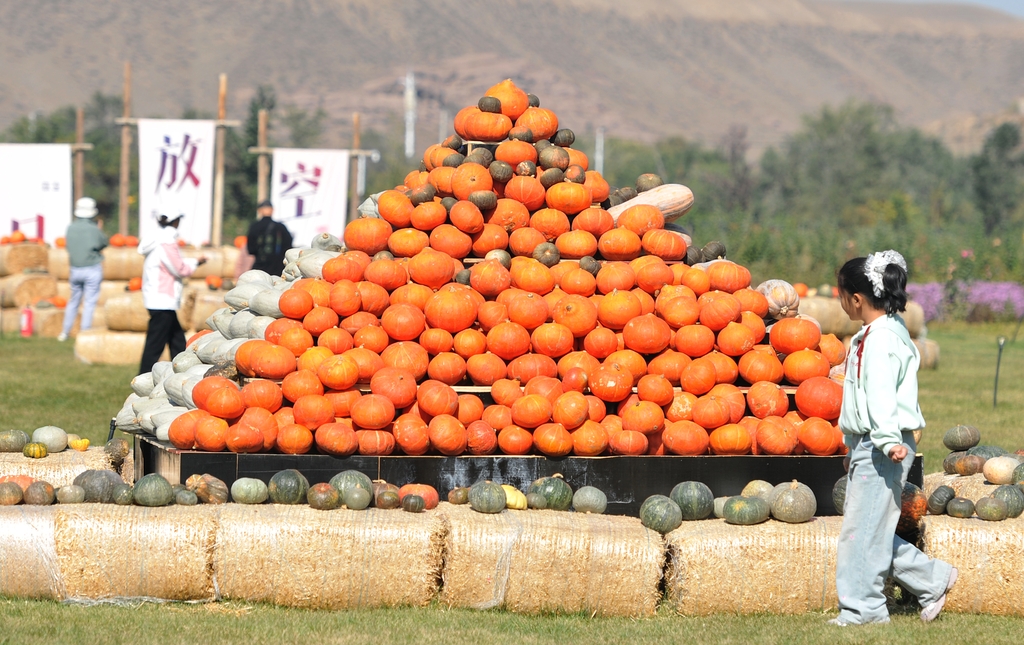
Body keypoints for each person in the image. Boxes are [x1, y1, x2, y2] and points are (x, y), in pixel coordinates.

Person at [830, 250, 957, 626]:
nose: (840, 301)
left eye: (841, 294)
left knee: (863, 531)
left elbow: (881, 394)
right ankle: (933, 579)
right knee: (871, 527)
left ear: (855, 298)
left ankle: (864, 610)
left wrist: (885, 441)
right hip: (874, 443)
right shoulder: (886, 329)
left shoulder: (880, 338)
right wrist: (855, 446)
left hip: (884, 444)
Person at [137, 214, 206, 375]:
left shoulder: (155, 238)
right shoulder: (167, 241)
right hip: (162, 299)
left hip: (155, 297)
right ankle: (143, 377)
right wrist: (196, 262)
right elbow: (179, 269)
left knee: (177, 340)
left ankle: (184, 371)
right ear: (176, 221)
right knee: (155, 345)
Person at [58, 197, 108, 342]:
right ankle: (84, 332)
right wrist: (99, 229)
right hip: (92, 268)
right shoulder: (94, 229)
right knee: (89, 302)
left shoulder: (70, 227)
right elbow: (103, 243)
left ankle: (64, 332)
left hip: (75, 269)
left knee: (73, 301)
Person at [246, 200, 292, 276]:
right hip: (277, 267)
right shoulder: (280, 227)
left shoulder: (254, 227)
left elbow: (251, 249)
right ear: (272, 210)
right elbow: (288, 245)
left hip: (260, 265)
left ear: (259, 210)